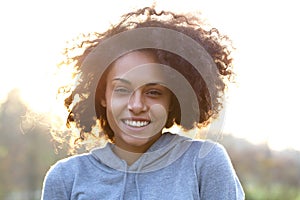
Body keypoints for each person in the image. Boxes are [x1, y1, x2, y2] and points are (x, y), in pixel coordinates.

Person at [42, 6, 245, 200]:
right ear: (102, 96)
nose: (137, 105)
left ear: (171, 101)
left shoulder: (204, 163)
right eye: (122, 90)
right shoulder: (66, 178)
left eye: (153, 92)